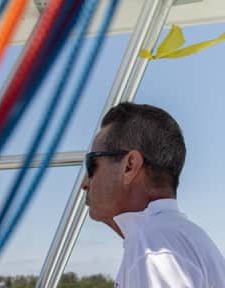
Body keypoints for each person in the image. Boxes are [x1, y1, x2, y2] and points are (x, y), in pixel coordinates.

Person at [81, 102, 225, 287]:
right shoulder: (176, 236)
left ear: (129, 166)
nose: (85, 184)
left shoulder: (152, 248)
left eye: (92, 165)